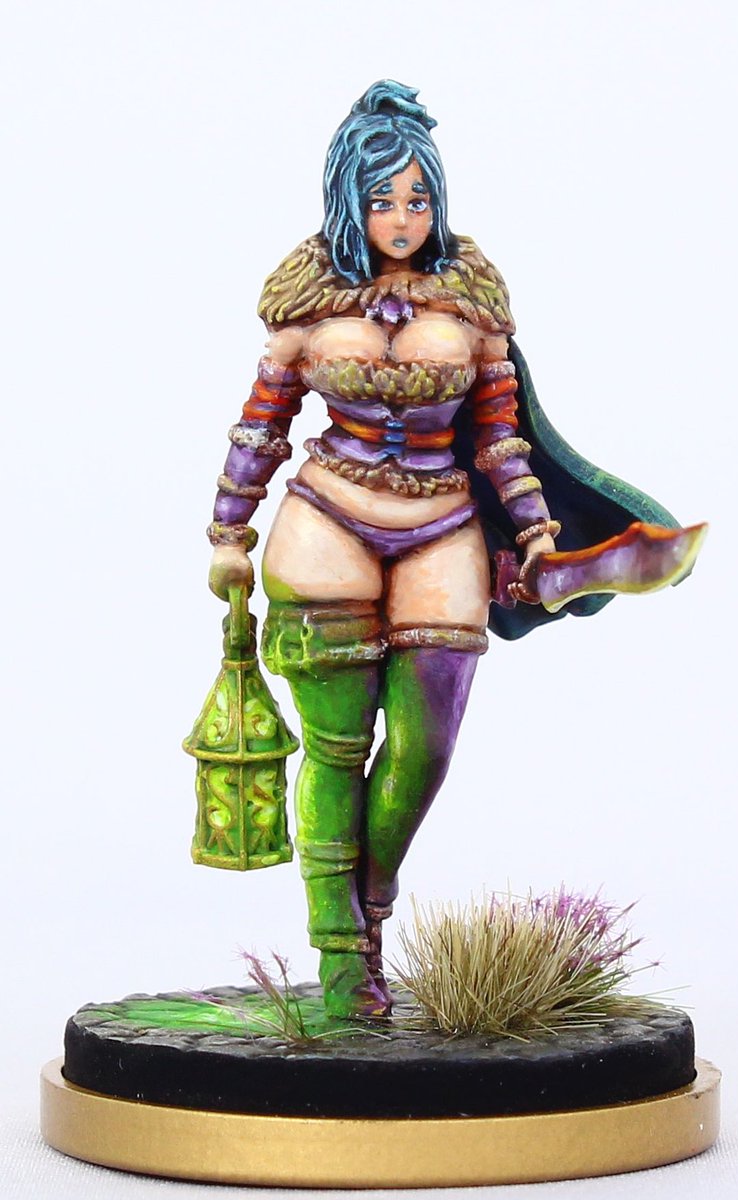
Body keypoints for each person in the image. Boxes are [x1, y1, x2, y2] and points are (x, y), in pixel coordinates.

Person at [206, 81, 703, 1018]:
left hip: (442, 524)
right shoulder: (306, 299)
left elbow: (501, 439)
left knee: (425, 746)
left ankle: (370, 902)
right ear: (347, 201)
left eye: (418, 198)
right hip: (326, 522)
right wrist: (231, 530)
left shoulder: (471, 301)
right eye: (382, 200)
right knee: (337, 748)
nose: (402, 218)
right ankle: (343, 956)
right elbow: (262, 424)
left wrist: (539, 532)